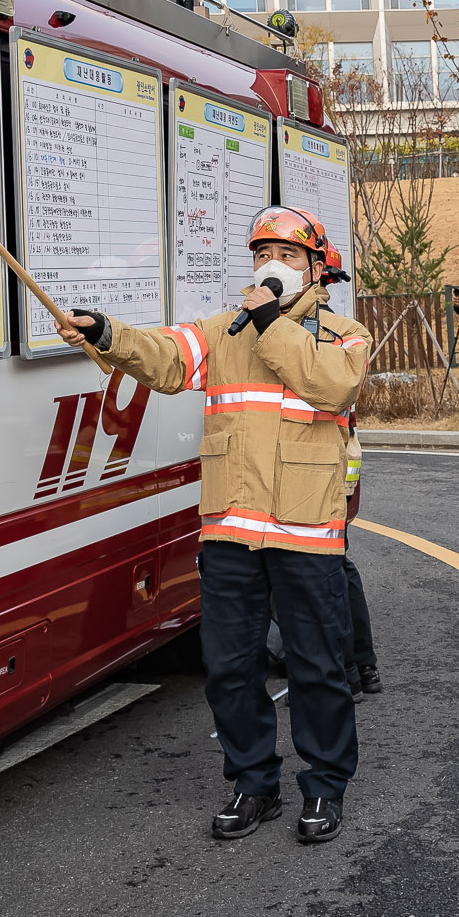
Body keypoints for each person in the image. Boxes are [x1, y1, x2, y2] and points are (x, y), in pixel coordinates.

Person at [64, 206, 367, 846]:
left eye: (284, 255)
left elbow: (331, 388)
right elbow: (167, 356)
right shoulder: (222, 331)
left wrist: (267, 323)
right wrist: (107, 333)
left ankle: (324, 787)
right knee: (229, 667)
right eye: (259, 256)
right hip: (229, 532)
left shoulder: (343, 334)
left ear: (315, 268)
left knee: (316, 666)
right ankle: (253, 782)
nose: (269, 267)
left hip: (307, 534)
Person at [322, 244, 380, 696]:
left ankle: (349, 670)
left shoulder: (335, 336)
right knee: (339, 568)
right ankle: (361, 668)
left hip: (326, 467)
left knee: (329, 572)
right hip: (339, 463)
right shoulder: (334, 332)